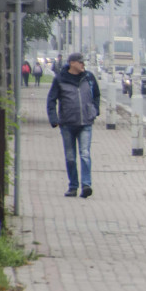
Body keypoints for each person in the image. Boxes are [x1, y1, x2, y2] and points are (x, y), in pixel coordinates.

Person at [47, 52, 101, 198]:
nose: (83, 64)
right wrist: (54, 118)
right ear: (72, 63)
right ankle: (73, 186)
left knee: (85, 154)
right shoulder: (60, 79)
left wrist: (95, 111)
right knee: (70, 157)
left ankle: (86, 185)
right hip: (67, 124)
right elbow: (51, 100)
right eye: (80, 62)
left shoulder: (88, 77)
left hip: (85, 123)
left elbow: (96, 95)